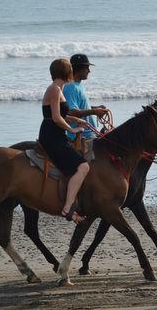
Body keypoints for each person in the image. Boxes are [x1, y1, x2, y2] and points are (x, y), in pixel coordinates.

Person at [38, 58, 90, 223]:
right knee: (83, 166)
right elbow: (55, 118)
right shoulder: (54, 89)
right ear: (67, 72)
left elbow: (60, 114)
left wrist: (76, 119)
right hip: (52, 136)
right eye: (70, 70)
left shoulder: (58, 89)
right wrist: (72, 128)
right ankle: (67, 208)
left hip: (56, 134)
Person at [63, 53, 109, 142]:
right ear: (78, 69)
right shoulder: (70, 87)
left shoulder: (79, 85)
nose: (89, 71)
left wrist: (96, 108)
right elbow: (71, 112)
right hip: (81, 136)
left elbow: (80, 107)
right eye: (87, 68)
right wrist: (94, 112)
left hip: (90, 133)